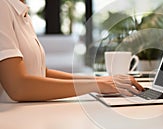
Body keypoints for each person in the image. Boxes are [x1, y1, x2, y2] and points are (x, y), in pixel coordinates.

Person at [0, 0, 144, 102]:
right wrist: (97, 85)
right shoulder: (2, 7)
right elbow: (18, 87)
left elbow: (41, 72)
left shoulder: (22, 12)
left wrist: (101, 80)